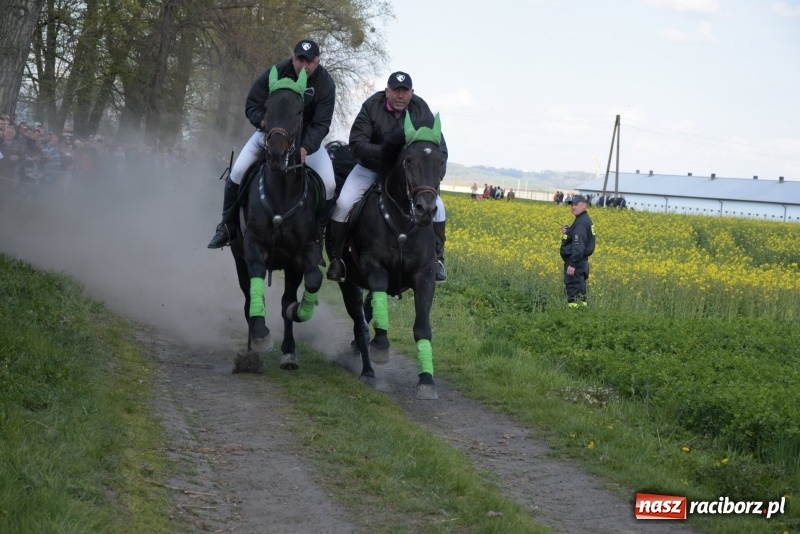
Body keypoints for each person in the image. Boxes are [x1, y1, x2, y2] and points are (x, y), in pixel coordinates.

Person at [208, 39, 336, 248]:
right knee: (238, 172)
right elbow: (252, 104)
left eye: (309, 61)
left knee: (330, 185)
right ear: (293, 57)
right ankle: (226, 227)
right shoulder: (275, 72)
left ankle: (317, 235)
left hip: (307, 140)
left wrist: (305, 148)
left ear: (318, 61)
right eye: (300, 59)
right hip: (271, 134)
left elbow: (322, 124)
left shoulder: (326, 83)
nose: (304, 65)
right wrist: (264, 122)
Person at [326, 71, 449, 283]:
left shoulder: (423, 110)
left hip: (407, 177)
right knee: (344, 203)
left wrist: (433, 178)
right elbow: (356, 143)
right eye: (395, 90)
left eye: (404, 91)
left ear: (412, 93)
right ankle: (338, 258)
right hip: (370, 168)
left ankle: (437, 259)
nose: (400, 95)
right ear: (387, 91)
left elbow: (440, 151)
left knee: (439, 209)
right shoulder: (372, 106)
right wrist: (388, 153)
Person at [560, 194, 596, 307]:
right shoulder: (583, 220)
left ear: (584, 205)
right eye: (572, 205)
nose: (573, 207)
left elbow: (578, 247)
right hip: (581, 263)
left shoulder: (581, 223)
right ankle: (582, 315)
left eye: (576, 204)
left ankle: (572, 319)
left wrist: (572, 264)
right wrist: (567, 233)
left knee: (573, 296)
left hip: (576, 264)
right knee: (581, 294)